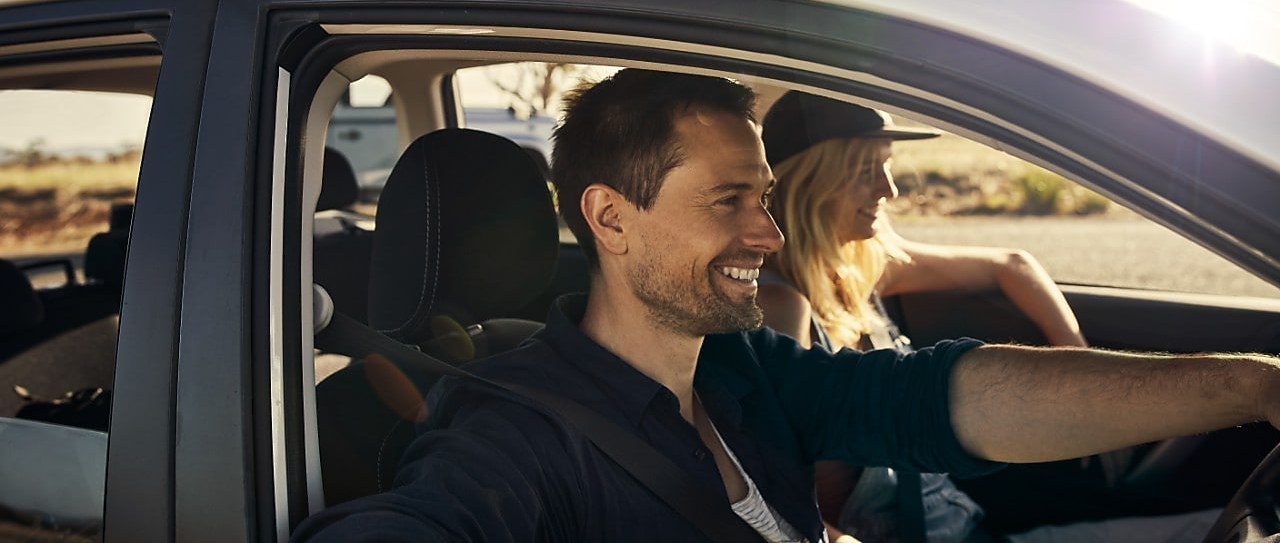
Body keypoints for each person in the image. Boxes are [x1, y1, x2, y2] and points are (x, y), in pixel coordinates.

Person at [292, 69, 1280, 543]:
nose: (766, 238)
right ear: (610, 218)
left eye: (761, 198)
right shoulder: (515, 430)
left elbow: (939, 399)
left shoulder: (742, 369)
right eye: (728, 202)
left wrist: (1249, 385)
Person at [757, 91, 1127, 542]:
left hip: (963, 525)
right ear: (809, 182)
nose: (888, 189)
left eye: (887, 165)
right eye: (864, 170)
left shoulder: (865, 266)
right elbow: (769, 491)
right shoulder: (781, 310)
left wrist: (1082, 372)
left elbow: (1012, 265)